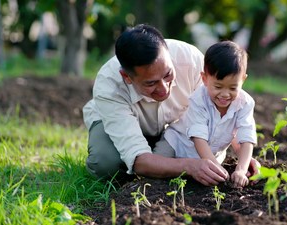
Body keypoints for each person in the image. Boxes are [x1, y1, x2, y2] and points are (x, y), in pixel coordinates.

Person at [83, 24, 259, 186]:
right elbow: (138, 158)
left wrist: (241, 155)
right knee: (106, 163)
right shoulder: (109, 85)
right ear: (127, 77)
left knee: (174, 153)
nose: (164, 88)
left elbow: (220, 111)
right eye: (151, 83)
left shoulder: (190, 59)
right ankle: (157, 160)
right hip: (122, 124)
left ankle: (160, 158)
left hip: (175, 127)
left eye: (167, 75)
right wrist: (189, 166)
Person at [154, 41, 259, 188]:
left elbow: (246, 138)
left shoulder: (245, 103)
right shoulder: (199, 99)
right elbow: (199, 139)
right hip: (178, 143)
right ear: (204, 78)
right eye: (218, 86)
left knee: (207, 179)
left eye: (233, 88)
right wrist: (216, 168)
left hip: (211, 154)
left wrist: (241, 169)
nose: (225, 94)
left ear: (243, 80)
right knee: (158, 166)